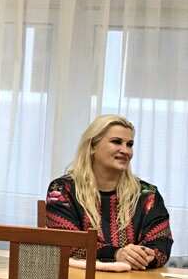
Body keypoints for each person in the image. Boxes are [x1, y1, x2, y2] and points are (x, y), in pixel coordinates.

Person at [46, 114, 172, 269]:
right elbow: (65, 241)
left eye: (130, 144)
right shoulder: (62, 189)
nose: (126, 150)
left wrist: (144, 256)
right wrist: (116, 254)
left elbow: (162, 242)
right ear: (92, 146)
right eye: (116, 142)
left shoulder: (148, 194)